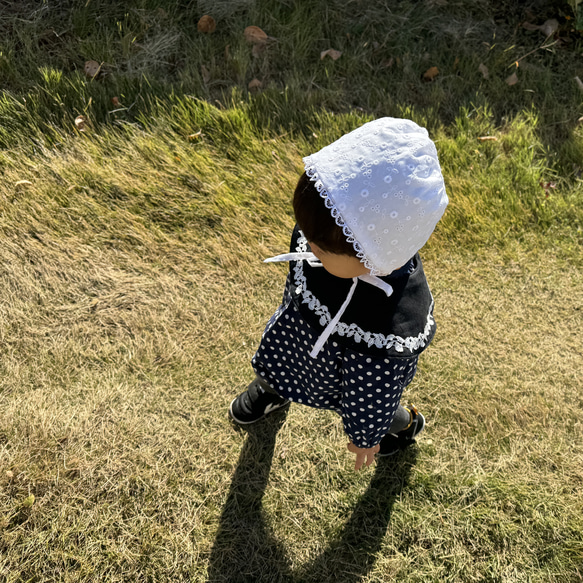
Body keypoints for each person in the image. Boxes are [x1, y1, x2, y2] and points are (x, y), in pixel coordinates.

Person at [229, 117, 448, 471]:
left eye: (318, 248)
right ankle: (273, 385)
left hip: (354, 379)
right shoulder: (326, 235)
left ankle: (398, 426)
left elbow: (372, 391)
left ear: (375, 257)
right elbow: (294, 297)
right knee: (281, 356)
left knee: (380, 406)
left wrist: (366, 436)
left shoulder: (386, 329)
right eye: (306, 232)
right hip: (298, 338)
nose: (306, 245)